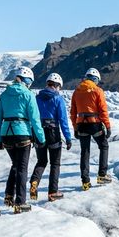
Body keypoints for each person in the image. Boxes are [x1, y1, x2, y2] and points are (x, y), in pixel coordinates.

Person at [0, 67, 45, 213]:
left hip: (6, 133)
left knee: (15, 165)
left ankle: (8, 195)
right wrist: (41, 139)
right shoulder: (28, 94)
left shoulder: (4, 94)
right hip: (22, 132)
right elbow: (35, 119)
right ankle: (20, 202)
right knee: (22, 168)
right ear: (27, 81)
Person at [29, 72, 72, 201]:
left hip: (39, 132)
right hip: (53, 132)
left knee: (41, 161)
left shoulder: (37, 98)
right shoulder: (58, 99)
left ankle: (34, 182)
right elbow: (63, 120)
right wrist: (68, 138)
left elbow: (33, 118)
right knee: (55, 163)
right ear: (57, 85)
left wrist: (32, 134)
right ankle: (53, 192)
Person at [70, 67, 111, 190]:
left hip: (81, 124)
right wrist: (107, 126)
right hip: (94, 124)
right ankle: (102, 175)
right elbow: (103, 110)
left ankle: (85, 181)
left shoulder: (76, 92)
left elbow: (73, 112)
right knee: (103, 146)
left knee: (85, 151)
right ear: (95, 79)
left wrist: (75, 128)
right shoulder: (97, 91)